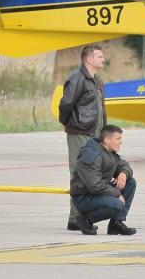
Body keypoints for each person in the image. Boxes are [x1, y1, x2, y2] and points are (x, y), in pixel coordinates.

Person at [58, 45, 107, 231]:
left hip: (94, 134)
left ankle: (81, 216)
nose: (103, 59)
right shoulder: (77, 79)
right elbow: (66, 105)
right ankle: (75, 217)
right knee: (78, 174)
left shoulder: (97, 80)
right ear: (89, 59)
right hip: (80, 133)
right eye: (100, 56)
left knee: (92, 175)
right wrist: (71, 124)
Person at [70, 124, 137, 235]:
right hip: (84, 197)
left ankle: (116, 223)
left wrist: (123, 174)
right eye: (118, 139)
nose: (121, 142)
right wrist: (117, 194)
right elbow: (94, 186)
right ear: (107, 140)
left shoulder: (109, 152)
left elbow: (124, 165)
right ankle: (86, 220)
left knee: (130, 182)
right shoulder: (92, 155)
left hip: (97, 194)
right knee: (117, 204)